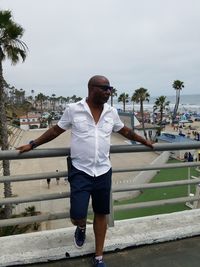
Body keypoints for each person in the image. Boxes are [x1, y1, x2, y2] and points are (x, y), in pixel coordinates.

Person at [17, 75, 153, 267]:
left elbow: (126, 132)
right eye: (105, 88)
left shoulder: (111, 112)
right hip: (80, 171)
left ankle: (98, 257)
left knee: (101, 213)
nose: (109, 92)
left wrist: (144, 141)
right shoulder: (74, 110)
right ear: (92, 88)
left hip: (103, 171)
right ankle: (80, 226)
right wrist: (32, 144)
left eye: (110, 89)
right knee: (77, 214)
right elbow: (55, 131)